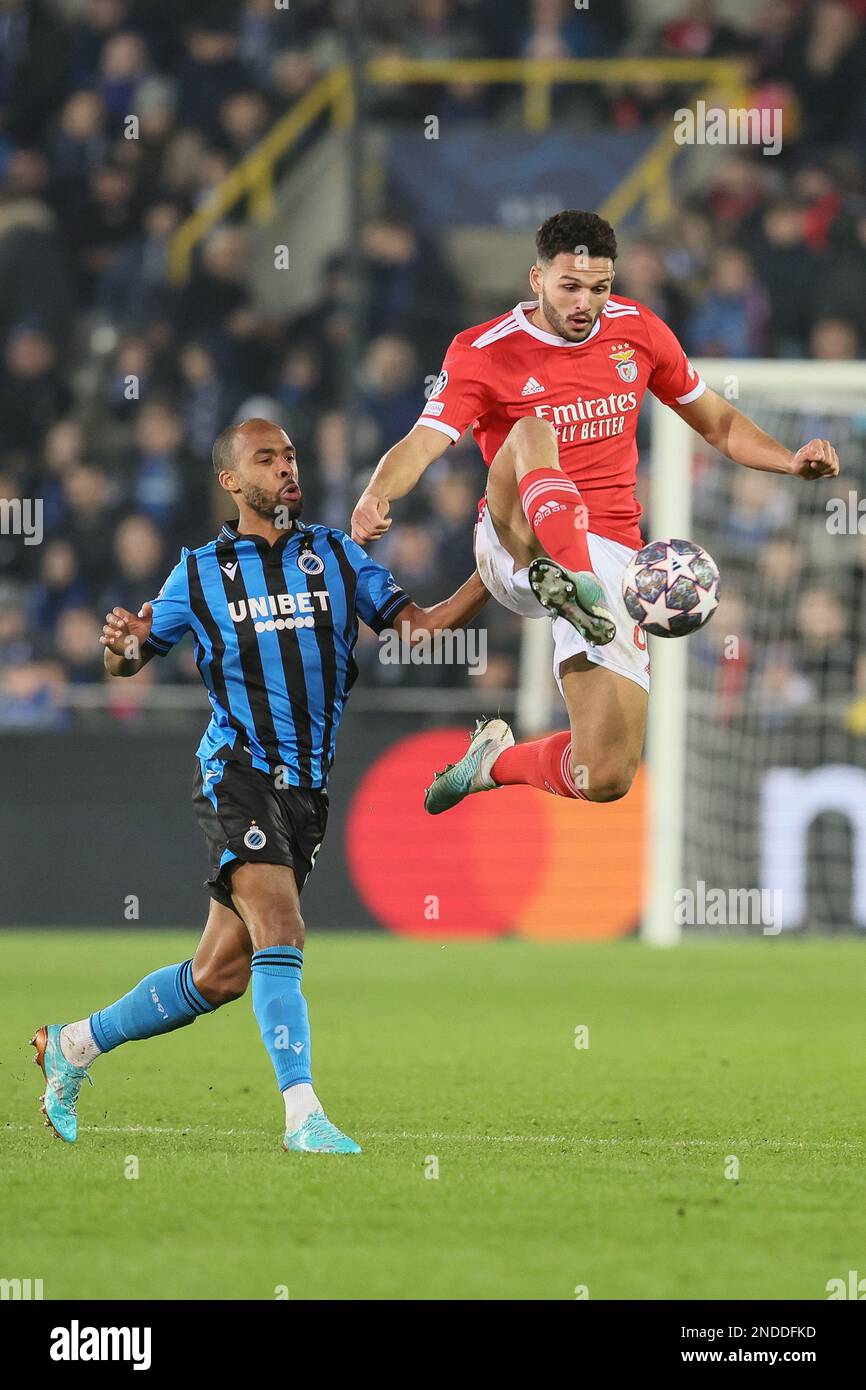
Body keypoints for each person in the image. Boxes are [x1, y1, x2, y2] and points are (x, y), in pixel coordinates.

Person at [31, 418, 488, 1155]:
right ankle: (301, 1114)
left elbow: (421, 630)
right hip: (236, 775)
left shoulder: (337, 557)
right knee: (282, 928)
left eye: (291, 456)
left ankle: (74, 1046)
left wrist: (493, 575)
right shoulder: (199, 572)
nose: (285, 468)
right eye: (266, 459)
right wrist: (118, 652)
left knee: (220, 976)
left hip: (306, 791)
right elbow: (130, 659)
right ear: (232, 482)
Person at [350, 209, 839, 813]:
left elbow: (719, 423)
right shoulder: (482, 350)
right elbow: (424, 441)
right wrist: (378, 493)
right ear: (537, 279)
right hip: (515, 539)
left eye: (600, 288)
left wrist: (790, 462)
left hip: (615, 559)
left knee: (605, 772)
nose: (586, 302)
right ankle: (573, 581)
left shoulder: (639, 331)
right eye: (571, 287)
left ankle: (492, 763)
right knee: (531, 430)